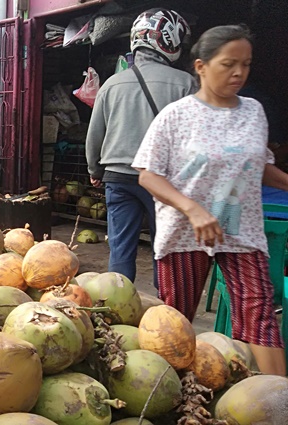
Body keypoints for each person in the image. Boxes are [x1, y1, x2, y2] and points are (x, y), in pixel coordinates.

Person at [133, 25, 287, 375]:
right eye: (229, 64)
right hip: (185, 233)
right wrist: (193, 209)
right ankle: (167, 396)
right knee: (175, 323)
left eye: (246, 64)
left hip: (242, 232)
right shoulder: (176, 116)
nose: (239, 73)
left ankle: (278, 400)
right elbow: (148, 175)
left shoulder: (253, 112)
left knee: (259, 315)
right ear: (201, 66)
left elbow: (258, 166)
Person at [85, 9, 196, 283]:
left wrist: (94, 170)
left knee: (120, 249)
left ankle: (117, 307)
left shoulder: (111, 85)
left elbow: (94, 135)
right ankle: (165, 311)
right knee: (164, 249)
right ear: (169, 42)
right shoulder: (186, 84)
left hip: (118, 178)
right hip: (163, 182)